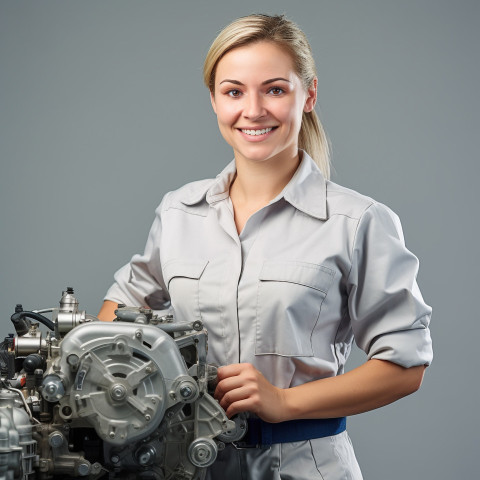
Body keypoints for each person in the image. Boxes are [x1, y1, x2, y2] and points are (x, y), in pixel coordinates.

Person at [98, 13, 432, 479]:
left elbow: (406, 365)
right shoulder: (178, 212)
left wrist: (285, 401)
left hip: (304, 465)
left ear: (309, 95)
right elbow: (114, 318)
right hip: (188, 466)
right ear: (214, 100)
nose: (253, 110)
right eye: (234, 91)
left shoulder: (358, 222)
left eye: (274, 89)